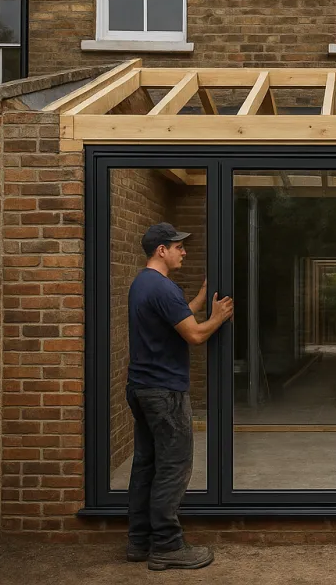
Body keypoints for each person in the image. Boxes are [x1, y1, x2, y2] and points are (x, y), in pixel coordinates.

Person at [125, 222, 233, 570]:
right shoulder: (164, 287)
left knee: (147, 465)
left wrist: (199, 301)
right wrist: (216, 316)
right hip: (165, 392)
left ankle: (139, 541)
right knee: (173, 466)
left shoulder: (143, 284)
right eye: (178, 247)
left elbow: (172, 320)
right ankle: (168, 547)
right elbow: (195, 335)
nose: (183, 252)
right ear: (161, 250)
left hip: (141, 387)